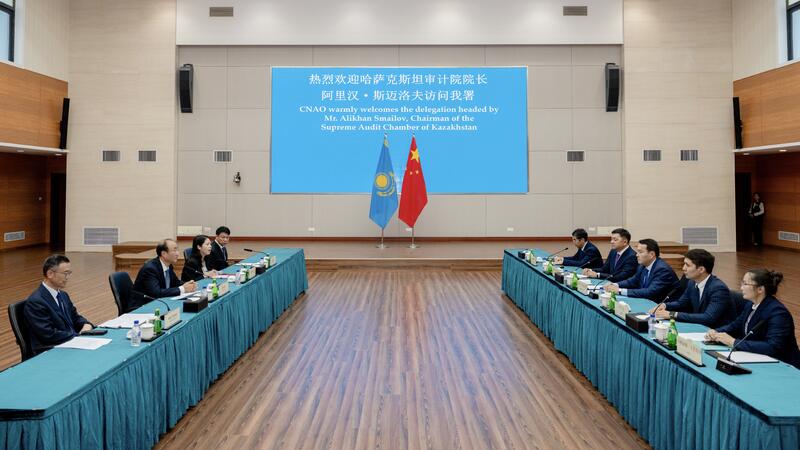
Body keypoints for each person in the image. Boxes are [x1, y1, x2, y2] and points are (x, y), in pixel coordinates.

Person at [706, 269, 800, 369]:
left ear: (760, 289)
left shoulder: (778, 313)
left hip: (783, 366)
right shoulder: (750, 305)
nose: (741, 288)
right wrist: (716, 332)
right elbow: (735, 326)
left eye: (745, 284)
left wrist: (733, 342)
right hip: (756, 358)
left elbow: (772, 347)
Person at [23, 255, 94, 355]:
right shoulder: (36, 302)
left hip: (68, 342)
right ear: (50, 274)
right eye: (65, 274)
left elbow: (75, 317)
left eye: (69, 273)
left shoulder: (63, 295)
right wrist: (77, 337)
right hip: (50, 350)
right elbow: (48, 334)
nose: (67, 278)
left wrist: (86, 324)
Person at [650, 249, 735, 328]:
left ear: (701, 269)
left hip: (717, 332)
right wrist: (665, 305)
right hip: (699, 328)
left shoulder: (718, 289)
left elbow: (708, 318)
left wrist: (671, 314)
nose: (683, 268)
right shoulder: (692, 282)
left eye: (687, 265)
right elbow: (681, 303)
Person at [131, 239, 197, 310]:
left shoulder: (168, 265)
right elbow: (156, 293)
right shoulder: (150, 269)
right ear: (164, 254)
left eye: (177, 250)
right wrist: (182, 289)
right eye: (174, 250)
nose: (177, 254)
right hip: (143, 306)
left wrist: (188, 285)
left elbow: (175, 282)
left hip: (159, 303)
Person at [604, 238, 679, 301]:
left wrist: (619, 291)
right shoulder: (642, 265)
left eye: (640, 252)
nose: (636, 255)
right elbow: (633, 281)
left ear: (652, 254)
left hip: (662, 306)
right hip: (646, 301)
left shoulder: (662, 270)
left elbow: (649, 292)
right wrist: (615, 285)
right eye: (637, 252)